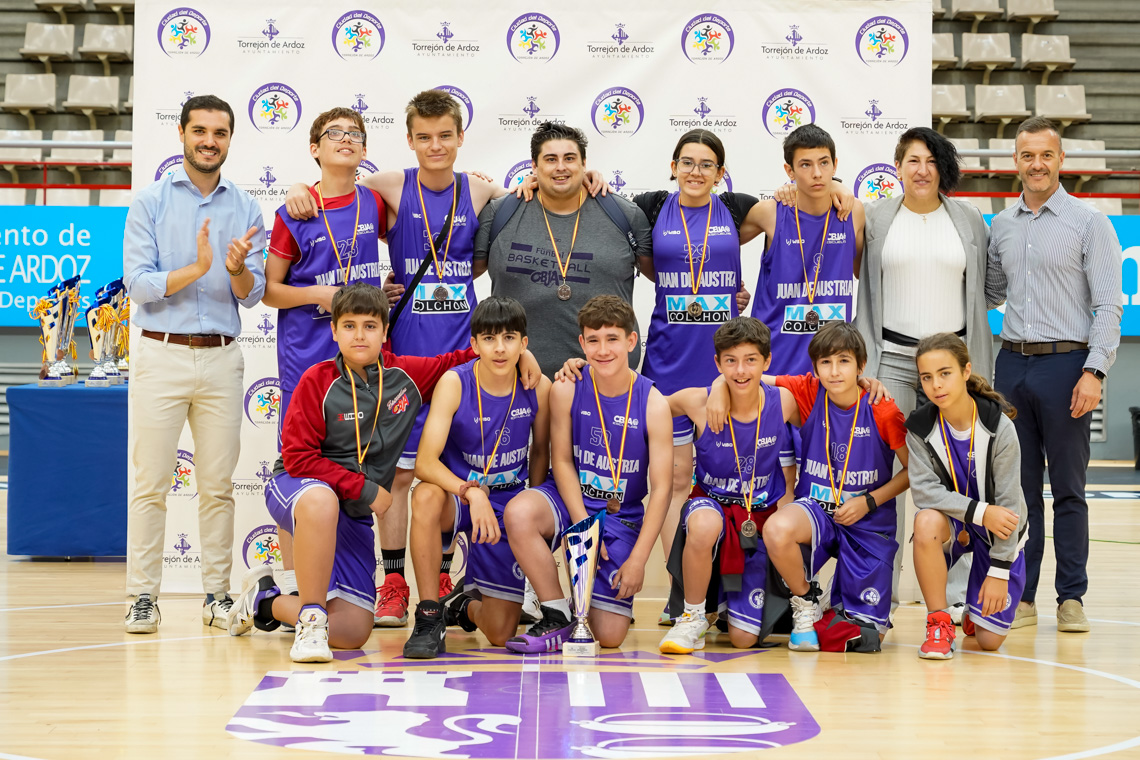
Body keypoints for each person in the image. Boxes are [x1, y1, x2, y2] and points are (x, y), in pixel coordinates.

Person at [284, 89, 511, 628]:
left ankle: (446, 581)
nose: (435, 145)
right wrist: (299, 187)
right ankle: (393, 584)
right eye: (424, 137)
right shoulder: (387, 187)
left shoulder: (479, 192)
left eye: (445, 136)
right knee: (401, 479)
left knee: (457, 472)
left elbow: (527, 195)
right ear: (409, 141)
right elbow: (333, 189)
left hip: (462, 361)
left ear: (459, 138)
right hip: (404, 361)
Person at [227, 284, 483, 661]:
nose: (359, 335)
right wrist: (365, 489)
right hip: (299, 489)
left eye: (369, 326)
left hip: (351, 511)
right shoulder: (316, 380)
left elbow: (461, 360)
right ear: (333, 330)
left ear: (384, 332)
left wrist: (520, 357)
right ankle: (311, 622)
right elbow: (298, 458)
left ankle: (265, 600)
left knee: (350, 632)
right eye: (349, 326)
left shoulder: (406, 376)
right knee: (321, 498)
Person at [121, 94, 266, 633]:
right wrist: (196, 268)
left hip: (222, 360)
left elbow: (251, 296)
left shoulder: (246, 207)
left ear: (230, 139)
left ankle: (216, 596)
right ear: (181, 134)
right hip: (160, 354)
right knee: (151, 483)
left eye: (220, 132)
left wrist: (233, 271)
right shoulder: (150, 202)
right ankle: (142, 597)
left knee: (217, 486)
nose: (209, 140)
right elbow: (138, 286)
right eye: (200, 130)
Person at [985, 116, 1123, 633]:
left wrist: (1095, 372)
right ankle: (1023, 596)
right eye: (1027, 155)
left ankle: (1072, 597)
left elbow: (1109, 306)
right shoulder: (1001, 224)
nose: (1037, 164)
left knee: (1067, 488)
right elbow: (992, 292)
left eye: (1046, 155)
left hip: (1068, 364)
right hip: (1011, 364)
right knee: (1016, 492)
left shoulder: (1091, 223)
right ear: (1015, 162)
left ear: (1060, 159)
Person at [852, 127, 993, 618]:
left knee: (956, 476)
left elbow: (987, 290)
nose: (922, 169)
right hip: (891, 359)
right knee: (885, 476)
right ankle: (876, 595)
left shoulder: (970, 221)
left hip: (951, 365)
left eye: (931, 161)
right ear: (898, 167)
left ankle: (954, 596)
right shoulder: (876, 218)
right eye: (912, 160)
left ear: (943, 168)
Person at [263, 106, 388, 602]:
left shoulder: (376, 202)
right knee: (299, 466)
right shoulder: (293, 210)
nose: (346, 139)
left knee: (358, 461)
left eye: (355, 134)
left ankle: (353, 577)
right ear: (315, 148)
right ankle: (290, 587)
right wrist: (320, 296)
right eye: (333, 134)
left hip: (362, 359)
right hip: (307, 358)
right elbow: (269, 291)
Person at [502, 296, 672, 652]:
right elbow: (561, 460)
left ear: (631, 341)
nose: (602, 349)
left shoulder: (653, 403)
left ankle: (586, 607)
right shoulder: (567, 388)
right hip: (569, 501)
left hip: (618, 515)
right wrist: (581, 525)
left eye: (612, 339)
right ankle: (557, 612)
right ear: (581, 343)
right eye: (593, 340)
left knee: (609, 636)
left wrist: (639, 559)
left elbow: (662, 490)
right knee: (519, 512)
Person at [402, 297, 552, 658]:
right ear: (474, 344)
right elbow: (424, 462)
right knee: (424, 495)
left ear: (524, 344)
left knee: (501, 634)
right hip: (460, 499)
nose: (499, 349)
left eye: (509, 338)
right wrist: (472, 493)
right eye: (488, 339)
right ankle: (429, 614)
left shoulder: (538, 386)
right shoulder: (455, 382)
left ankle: (462, 605)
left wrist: (528, 515)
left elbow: (541, 454)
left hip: (507, 505)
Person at [762, 322, 909, 651]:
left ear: (861, 366)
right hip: (816, 513)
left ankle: (836, 607)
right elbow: (750, 376)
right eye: (825, 362)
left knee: (866, 639)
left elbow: (913, 471)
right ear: (815, 368)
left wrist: (868, 502)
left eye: (843, 361)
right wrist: (717, 386)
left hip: (867, 521)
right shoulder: (808, 391)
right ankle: (806, 599)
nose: (834, 371)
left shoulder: (882, 409)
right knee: (775, 530)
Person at [659, 317, 796, 653]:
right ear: (717, 363)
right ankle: (691, 616)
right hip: (710, 504)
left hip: (756, 516)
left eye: (751, 360)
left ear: (767, 361)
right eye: (731, 361)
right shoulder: (697, 402)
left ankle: (723, 608)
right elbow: (647, 404)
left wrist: (867, 383)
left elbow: (831, 396)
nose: (741, 371)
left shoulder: (784, 401)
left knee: (743, 640)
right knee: (705, 523)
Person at [474, 123, 654, 377]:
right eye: (550, 159)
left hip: (603, 382)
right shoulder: (499, 214)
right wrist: (400, 285)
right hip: (518, 382)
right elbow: (459, 273)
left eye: (569, 158)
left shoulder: (625, 214)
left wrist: (730, 287)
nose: (561, 167)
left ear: (583, 164)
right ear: (534, 167)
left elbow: (666, 276)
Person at [907, 333, 1027, 659]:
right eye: (927, 377)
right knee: (925, 521)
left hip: (1000, 530)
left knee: (989, 642)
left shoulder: (998, 427)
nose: (936, 385)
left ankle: (975, 611)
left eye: (945, 373)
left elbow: (1009, 507)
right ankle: (939, 623)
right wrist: (978, 512)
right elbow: (923, 490)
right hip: (957, 524)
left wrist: (1000, 571)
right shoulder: (920, 427)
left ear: (965, 371)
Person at [748, 124, 865, 376]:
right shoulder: (769, 212)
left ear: (835, 165)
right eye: (805, 165)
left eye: (824, 163)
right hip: (776, 366)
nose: (817, 174)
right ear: (789, 170)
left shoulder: (853, 212)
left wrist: (840, 187)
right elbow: (719, 239)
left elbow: (860, 272)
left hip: (833, 368)